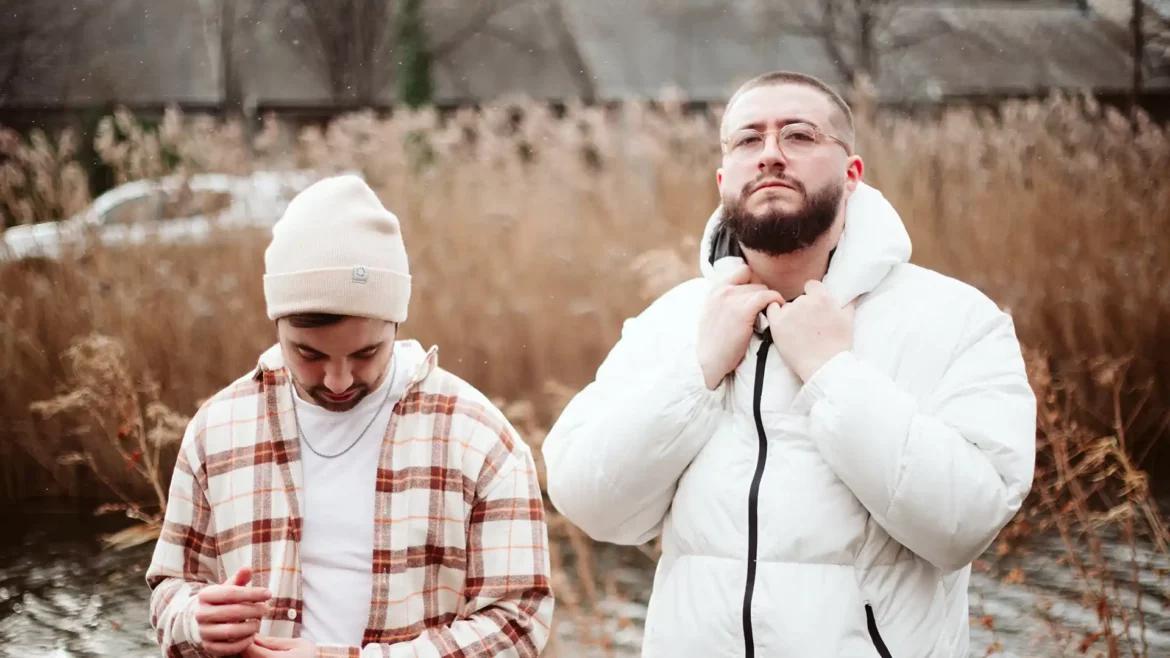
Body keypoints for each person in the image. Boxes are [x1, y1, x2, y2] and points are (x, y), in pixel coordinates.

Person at [542, 71, 1036, 657]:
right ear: (724, 178)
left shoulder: (955, 320)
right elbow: (587, 499)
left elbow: (966, 521)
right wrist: (697, 376)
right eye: (748, 140)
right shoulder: (672, 323)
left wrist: (833, 376)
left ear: (852, 174)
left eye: (799, 136)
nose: (770, 154)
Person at [145, 175, 554, 658]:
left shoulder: (480, 439)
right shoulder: (216, 430)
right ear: (276, 324)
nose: (338, 380)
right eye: (309, 354)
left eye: (365, 353)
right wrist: (195, 620)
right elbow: (171, 589)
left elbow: (519, 622)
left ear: (396, 321)